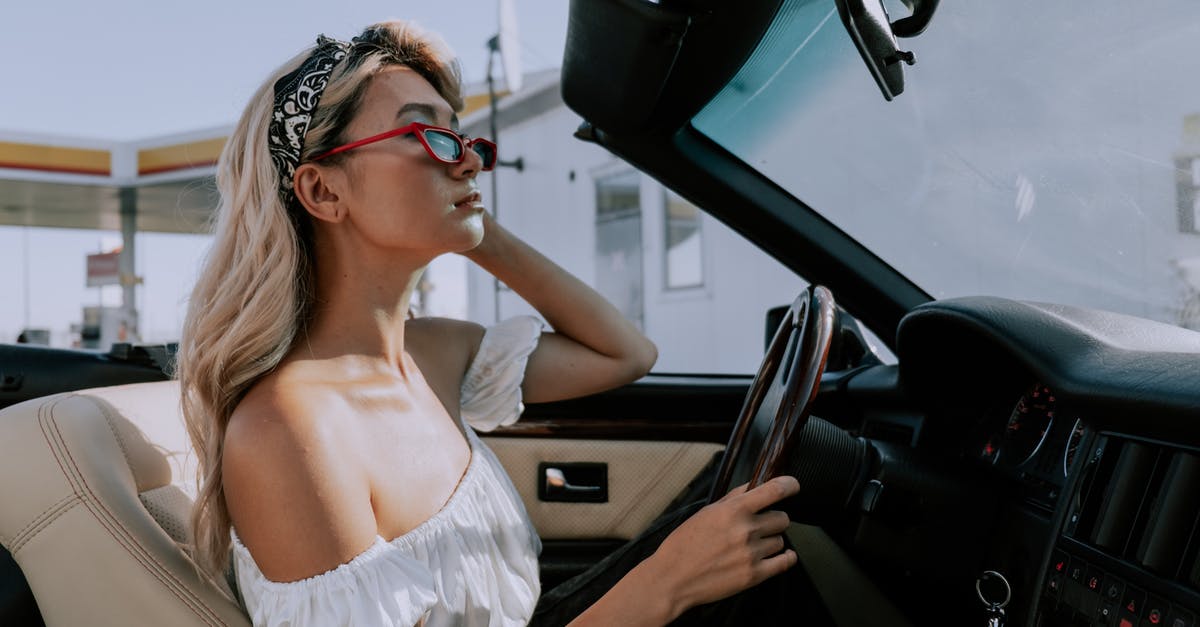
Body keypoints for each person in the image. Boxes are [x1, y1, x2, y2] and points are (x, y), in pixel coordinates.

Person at [178, 20, 824, 627]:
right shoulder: (289, 430)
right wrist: (666, 584)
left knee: (769, 514)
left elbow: (625, 351)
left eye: (464, 140)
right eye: (424, 134)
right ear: (323, 192)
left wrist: (475, 230)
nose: (467, 160)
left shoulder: (434, 351)